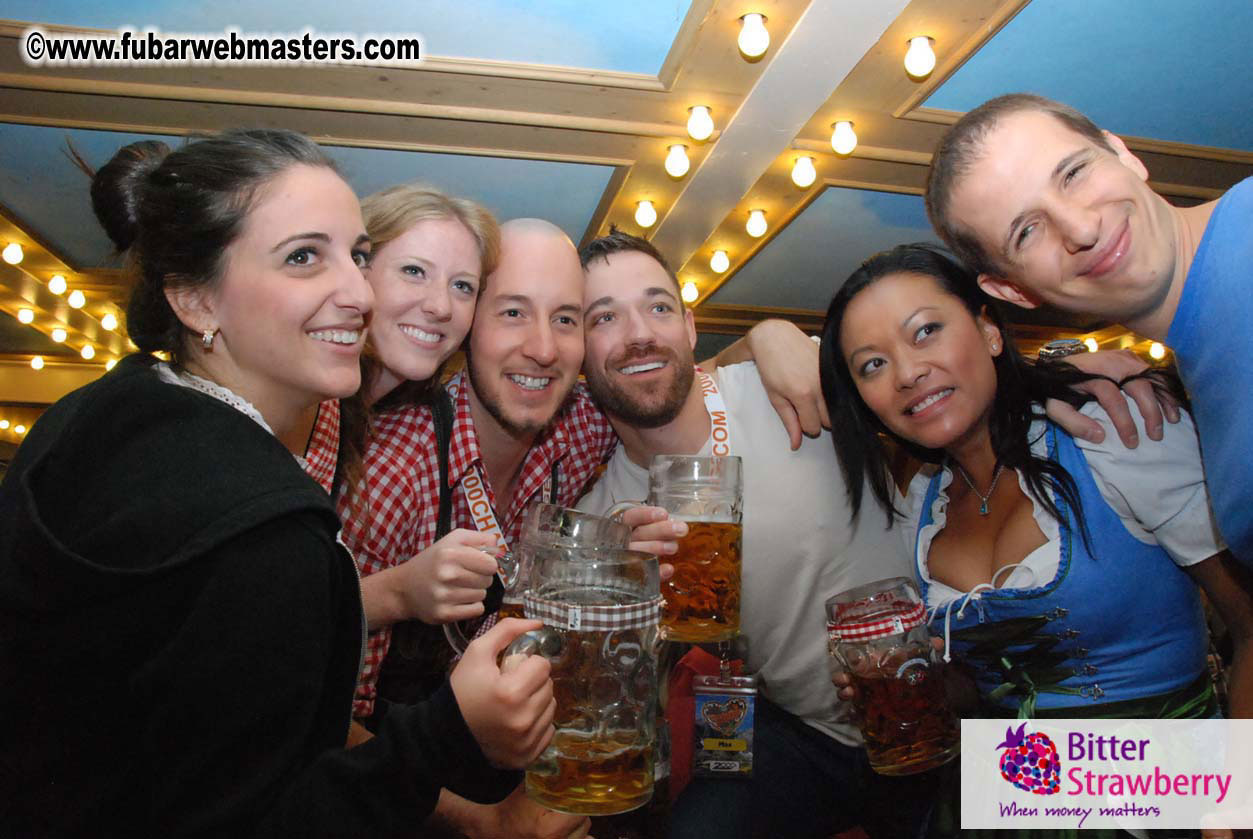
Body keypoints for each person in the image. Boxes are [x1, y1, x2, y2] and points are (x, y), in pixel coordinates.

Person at [0, 130, 557, 837]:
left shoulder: (105, 411)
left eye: (357, 257)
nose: (358, 293)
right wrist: (450, 731)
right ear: (195, 301)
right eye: (302, 257)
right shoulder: (261, 532)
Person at [820, 243, 1253, 835]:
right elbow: (981, 691)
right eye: (872, 364)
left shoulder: (1112, 433)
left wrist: (1234, 803)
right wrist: (916, 683)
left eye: (926, 331)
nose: (906, 372)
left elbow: (1249, 621)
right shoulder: (919, 505)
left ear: (990, 332)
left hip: (1166, 798)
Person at [925, 92, 1253, 567]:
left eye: (1074, 173)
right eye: (1026, 232)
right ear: (1014, 291)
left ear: (1123, 154)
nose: (1080, 228)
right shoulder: (1201, 367)